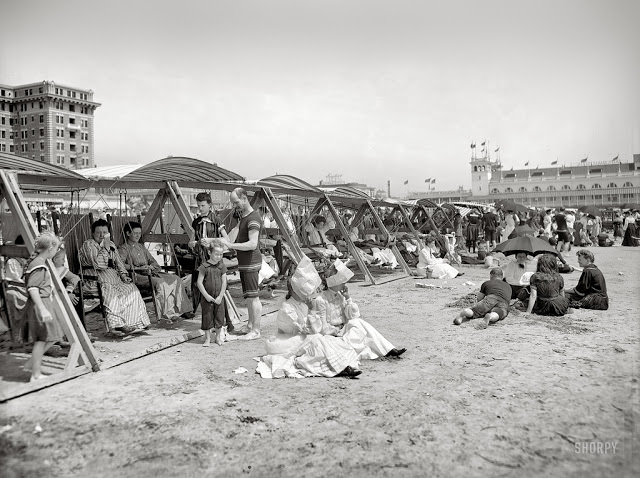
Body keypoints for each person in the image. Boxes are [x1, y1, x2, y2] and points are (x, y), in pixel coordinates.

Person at [257, 272, 362, 379]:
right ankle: (341, 368)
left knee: (327, 341)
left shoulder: (303, 304)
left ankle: (343, 365)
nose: (307, 293)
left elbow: (316, 328)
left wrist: (312, 311)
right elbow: (307, 330)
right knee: (319, 341)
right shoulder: (287, 309)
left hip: (303, 336)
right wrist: (312, 311)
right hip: (288, 340)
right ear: (294, 291)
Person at [314, 259, 406, 359]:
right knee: (358, 331)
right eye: (342, 282)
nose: (344, 284)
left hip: (344, 331)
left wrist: (348, 298)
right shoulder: (321, 300)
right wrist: (337, 330)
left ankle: (389, 349)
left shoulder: (340, 296)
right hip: (332, 336)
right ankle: (387, 350)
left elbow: (354, 316)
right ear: (334, 283)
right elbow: (322, 328)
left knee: (357, 322)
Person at [80, 219, 151, 335]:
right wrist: (105, 249)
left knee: (131, 289)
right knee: (110, 292)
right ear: (93, 233)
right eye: (99, 233)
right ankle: (117, 325)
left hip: (114, 278)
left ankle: (135, 323)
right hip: (95, 278)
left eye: (105, 232)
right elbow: (99, 264)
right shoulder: (89, 245)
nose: (102, 235)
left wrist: (123, 275)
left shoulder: (111, 244)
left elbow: (119, 262)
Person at [118, 222, 193, 322]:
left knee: (176, 279)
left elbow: (153, 261)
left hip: (151, 273)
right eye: (135, 233)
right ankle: (167, 313)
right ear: (128, 234)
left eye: (139, 233)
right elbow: (121, 265)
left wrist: (153, 266)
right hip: (137, 275)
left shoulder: (141, 247)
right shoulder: (123, 248)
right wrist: (138, 268)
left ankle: (183, 309)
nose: (137, 235)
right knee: (161, 283)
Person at [220, 187, 263, 340]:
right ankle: (250, 325)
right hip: (245, 263)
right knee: (248, 297)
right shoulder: (244, 217)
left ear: (244, 198)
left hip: (251, 262)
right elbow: (231, 238)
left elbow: (252, 244)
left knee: (254, 297)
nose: (234, 206)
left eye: (236, 202)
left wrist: (231, 246)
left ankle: (256, 330)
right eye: (233, 203)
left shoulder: (253, 218)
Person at [22, 232, 64, 382]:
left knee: (54, 336)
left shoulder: (39, 261)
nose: (56, 251)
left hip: (44, 302)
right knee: (42, 339)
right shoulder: (39, 264)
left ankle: (30, 364)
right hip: (40, 303)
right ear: (50, 248)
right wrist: (42, 308)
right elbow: (33, 288)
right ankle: (35, 374)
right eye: (56, 248)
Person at [189, 192, 222, 311]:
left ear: (209, 205)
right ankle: (202, 313)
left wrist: (210, 240)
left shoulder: (216, 220)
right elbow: (191, 241)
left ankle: (221, 317)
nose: (200, 208)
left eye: (203, 205)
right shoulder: (196, 222)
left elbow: (226, 239)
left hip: (213, 259)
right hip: (200, 258)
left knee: (214, 286)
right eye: (198, 206)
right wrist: (192, 243)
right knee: (198, 285)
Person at [196, 239, 228, 346]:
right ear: (209, 253)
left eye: (221, 254)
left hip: (219, 297)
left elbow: (224, 282)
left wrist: (220, 296)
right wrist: (206, 295)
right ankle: (207, 338)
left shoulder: (222, 267)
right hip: (207, 298)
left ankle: (218, 338)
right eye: (216, 254)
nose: (219, 256)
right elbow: (199, 283)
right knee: (207, 317)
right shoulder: (204, 267)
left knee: (219, 317)